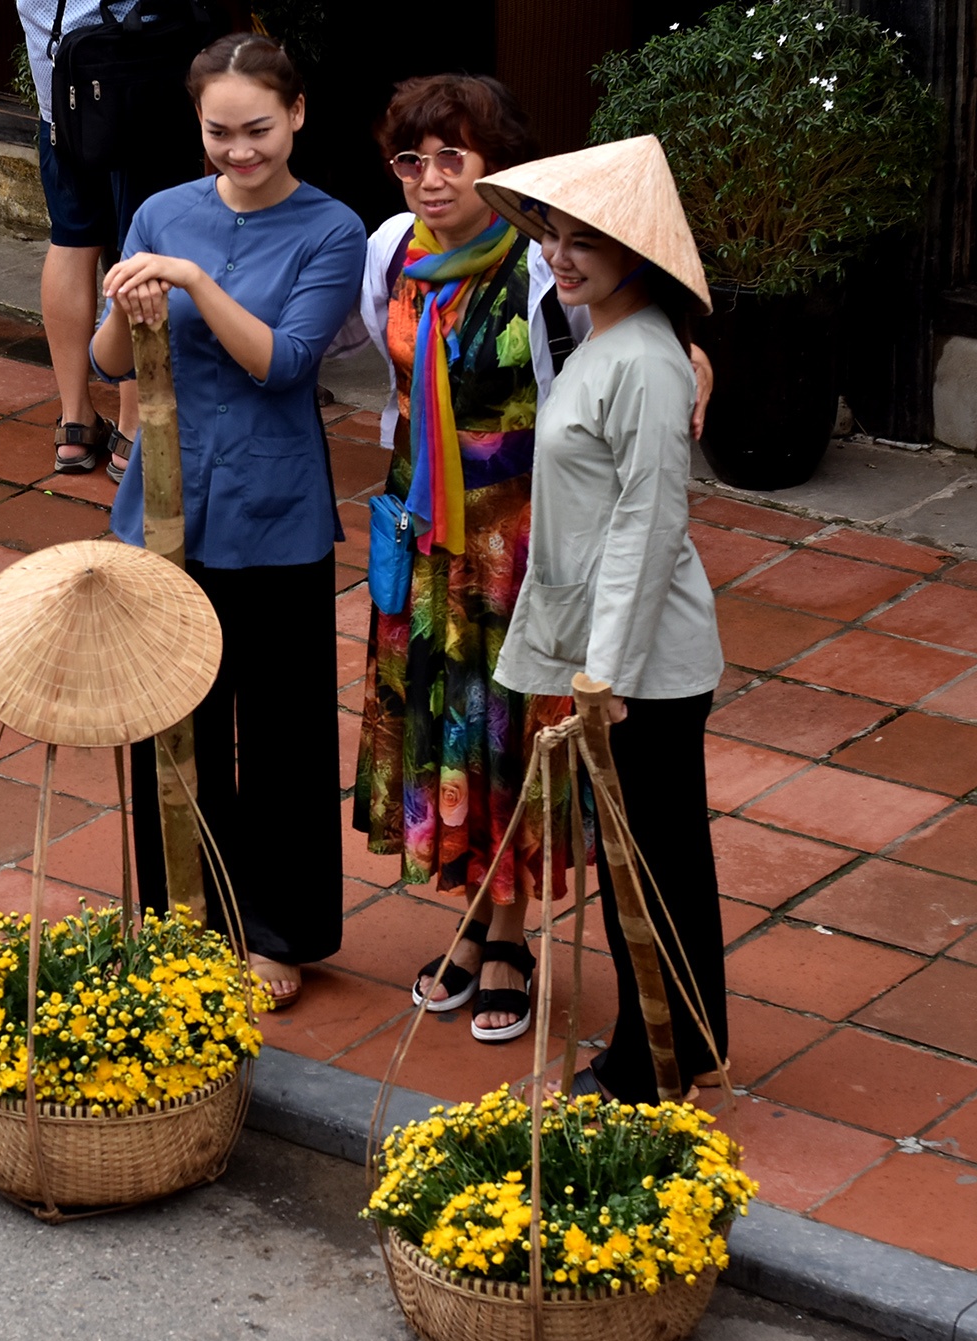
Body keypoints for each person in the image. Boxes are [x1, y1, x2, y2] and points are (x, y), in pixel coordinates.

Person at [343, 77, 715, 1045]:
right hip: (431, 538)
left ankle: (578, 979)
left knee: (517, 747)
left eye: (453, 158)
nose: (429, 179)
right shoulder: (392, 254)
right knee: (446, 733)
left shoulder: (562, 297)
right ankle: (490, 927)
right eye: (411, 159)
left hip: (524, 558)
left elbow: (642, 500)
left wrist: (610, 660)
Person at [92, 32, 365, 1008]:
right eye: (219, 132)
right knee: (164, 720)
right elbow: (112, 361)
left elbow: (287, 362)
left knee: (282, 731)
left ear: (296, 117)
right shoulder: (164, 209)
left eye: (258, 129)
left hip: (274, 507)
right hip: (160, 504)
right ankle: (177, 917)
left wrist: (197, 285)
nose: (240, 151)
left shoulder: (332, 230)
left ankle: (278, 930)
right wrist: (131, 301)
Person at [478, 135, 729, 1104]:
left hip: (644, 668)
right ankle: (674, 1038)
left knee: (655, 863)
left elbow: (648, 526)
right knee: (656, 856)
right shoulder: (599, 339)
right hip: (616, 655)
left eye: (587, 239)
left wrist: (605, 674)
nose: (560, 254)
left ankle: (654, 1055)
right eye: (552, 234)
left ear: (640, 253)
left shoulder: (647, 363)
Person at [17, 0, 203, 480]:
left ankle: (75, 424)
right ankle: (132, 432)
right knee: (141, 246)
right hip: (139, 76)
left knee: (72, 238)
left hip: (61, 84)